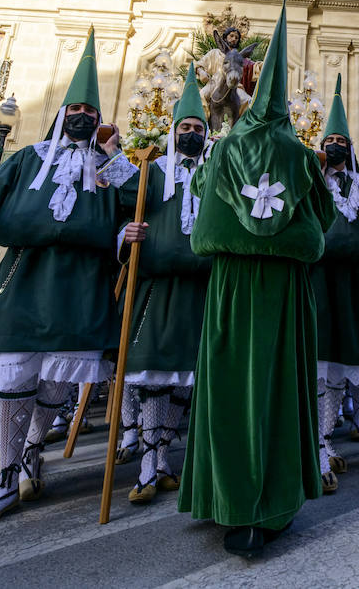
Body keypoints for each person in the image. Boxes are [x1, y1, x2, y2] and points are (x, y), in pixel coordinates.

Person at [0, 30, 142, 529]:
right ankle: (7, 473)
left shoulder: (111, 167)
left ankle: (33, 450)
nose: (81, 116)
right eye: (74, 109)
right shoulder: (27, 158)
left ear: (99, 122)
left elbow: (138, 203)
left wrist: (124, 212)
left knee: (57, 379)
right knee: (15, 374)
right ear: (61, 115)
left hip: (82, 282)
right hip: (25, 277)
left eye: (90, 113)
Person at [178, 6, 337, 558]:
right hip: (284, 293)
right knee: (276, 387)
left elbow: (202, 234)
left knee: (226, 388)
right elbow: (322, 226)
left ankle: (225, 501)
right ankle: (272, 502)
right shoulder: (301, 156)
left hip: (230, 288)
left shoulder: (222, 152)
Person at [118, 65, 214, 505]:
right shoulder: (149, 172)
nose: (191, 133)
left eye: (198, 128)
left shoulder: (216, 175)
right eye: (185, 127)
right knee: (154, 375)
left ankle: (162, 458)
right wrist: (126, 234)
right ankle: (149, 464)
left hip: (202, 290)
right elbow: (109, 202)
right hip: (156, 289)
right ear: (173, 131)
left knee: (184, 379)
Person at [306, 75, 359, 494]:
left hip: (352, 283)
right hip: (316, 279)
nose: (334, 145)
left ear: (349, 147)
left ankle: (326, 436)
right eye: (328, 138)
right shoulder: (311, 178)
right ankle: (313, 442)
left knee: (340, 363)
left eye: (340, 139)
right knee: (316, 361)